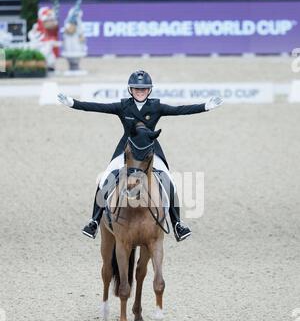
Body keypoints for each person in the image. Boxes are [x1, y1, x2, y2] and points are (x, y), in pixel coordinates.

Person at [58, 70, 223, 242]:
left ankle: (177, 223)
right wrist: (73, 103)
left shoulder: (156, 106)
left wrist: (205, 106)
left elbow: (179, 110)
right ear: (130, 90)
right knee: (105, 178)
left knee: (169, 180)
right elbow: (97, 107)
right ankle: (94, 221)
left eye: (144, 89)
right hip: (127, 149)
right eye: (136, 89)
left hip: (149, 149)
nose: (140, 91)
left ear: (149, 90)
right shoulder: (123, 106)